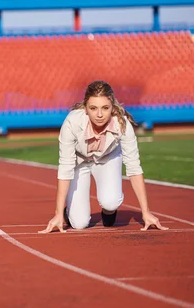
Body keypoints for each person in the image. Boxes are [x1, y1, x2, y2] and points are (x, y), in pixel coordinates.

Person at [40, 80, 168, 234]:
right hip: (79, 163)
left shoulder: (122, 124)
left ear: (112, 107)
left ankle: (109, 212)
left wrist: (146, 212)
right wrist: (58, 214)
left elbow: (134, 167)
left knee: (111, 202)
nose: (99, 114)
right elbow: (65, 168)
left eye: (105, 108)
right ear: (85, 108)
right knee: (79, 223)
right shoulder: (71, 123)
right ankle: (69, 212)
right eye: (93, 108)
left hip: (107, 159)